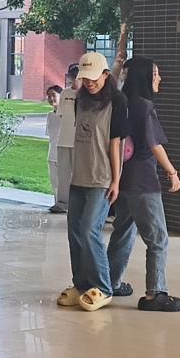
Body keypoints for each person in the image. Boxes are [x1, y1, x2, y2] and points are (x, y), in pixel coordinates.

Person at [109, 57, 180, 311]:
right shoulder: (144, 106)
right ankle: (156, 293)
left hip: (122, 179)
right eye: (155, 74)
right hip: (143, 181)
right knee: (158, 238)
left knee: (123, 231)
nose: (159, 79)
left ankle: (108, 282)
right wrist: (172, 172)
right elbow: (154, 144)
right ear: (144, 78)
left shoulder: (121, 102)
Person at [56, 53, 126, 313]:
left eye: (94, 78)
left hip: (102, 178)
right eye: (85, 79)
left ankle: (103, 287)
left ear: (106, 75)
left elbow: (116, 144)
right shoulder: (80, 100)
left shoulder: (117, 102)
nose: (89, 83)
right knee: (74, 231)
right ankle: (81, 284)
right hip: (79, 176)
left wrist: (116, 180)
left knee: (89, 230)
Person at [51, 64, 80, 214]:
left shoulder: (86, 95)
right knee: (63, 173)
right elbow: (60, 114)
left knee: (78, 174)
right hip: (64, 139)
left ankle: (77, 202)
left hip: (79, 141)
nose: (74, 81)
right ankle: (62, 202)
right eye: (72, 78)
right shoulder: (65, 93)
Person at [44, 85, 64, 213]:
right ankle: (57, 204)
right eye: (49, 96)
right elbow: (50, 135)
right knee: (55, 182)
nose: (51, 98)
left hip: (64, 153)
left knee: (64, 182)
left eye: (54, 95)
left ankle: (65, 204)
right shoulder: (50, 116)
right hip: (52, 154)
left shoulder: (68, 116)